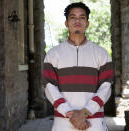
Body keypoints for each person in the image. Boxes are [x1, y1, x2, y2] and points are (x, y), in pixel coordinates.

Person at [43, 2, 113, 131]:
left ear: (87, 23)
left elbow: (106, 87)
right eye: (72, 17)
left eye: (82, 17)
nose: (77, 21)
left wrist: (84, 113)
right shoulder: (53, 54)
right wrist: (71, 114)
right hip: (63, 124)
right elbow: (49, 87)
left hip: (94, 124)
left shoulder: (101, 53)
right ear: (66, 23)